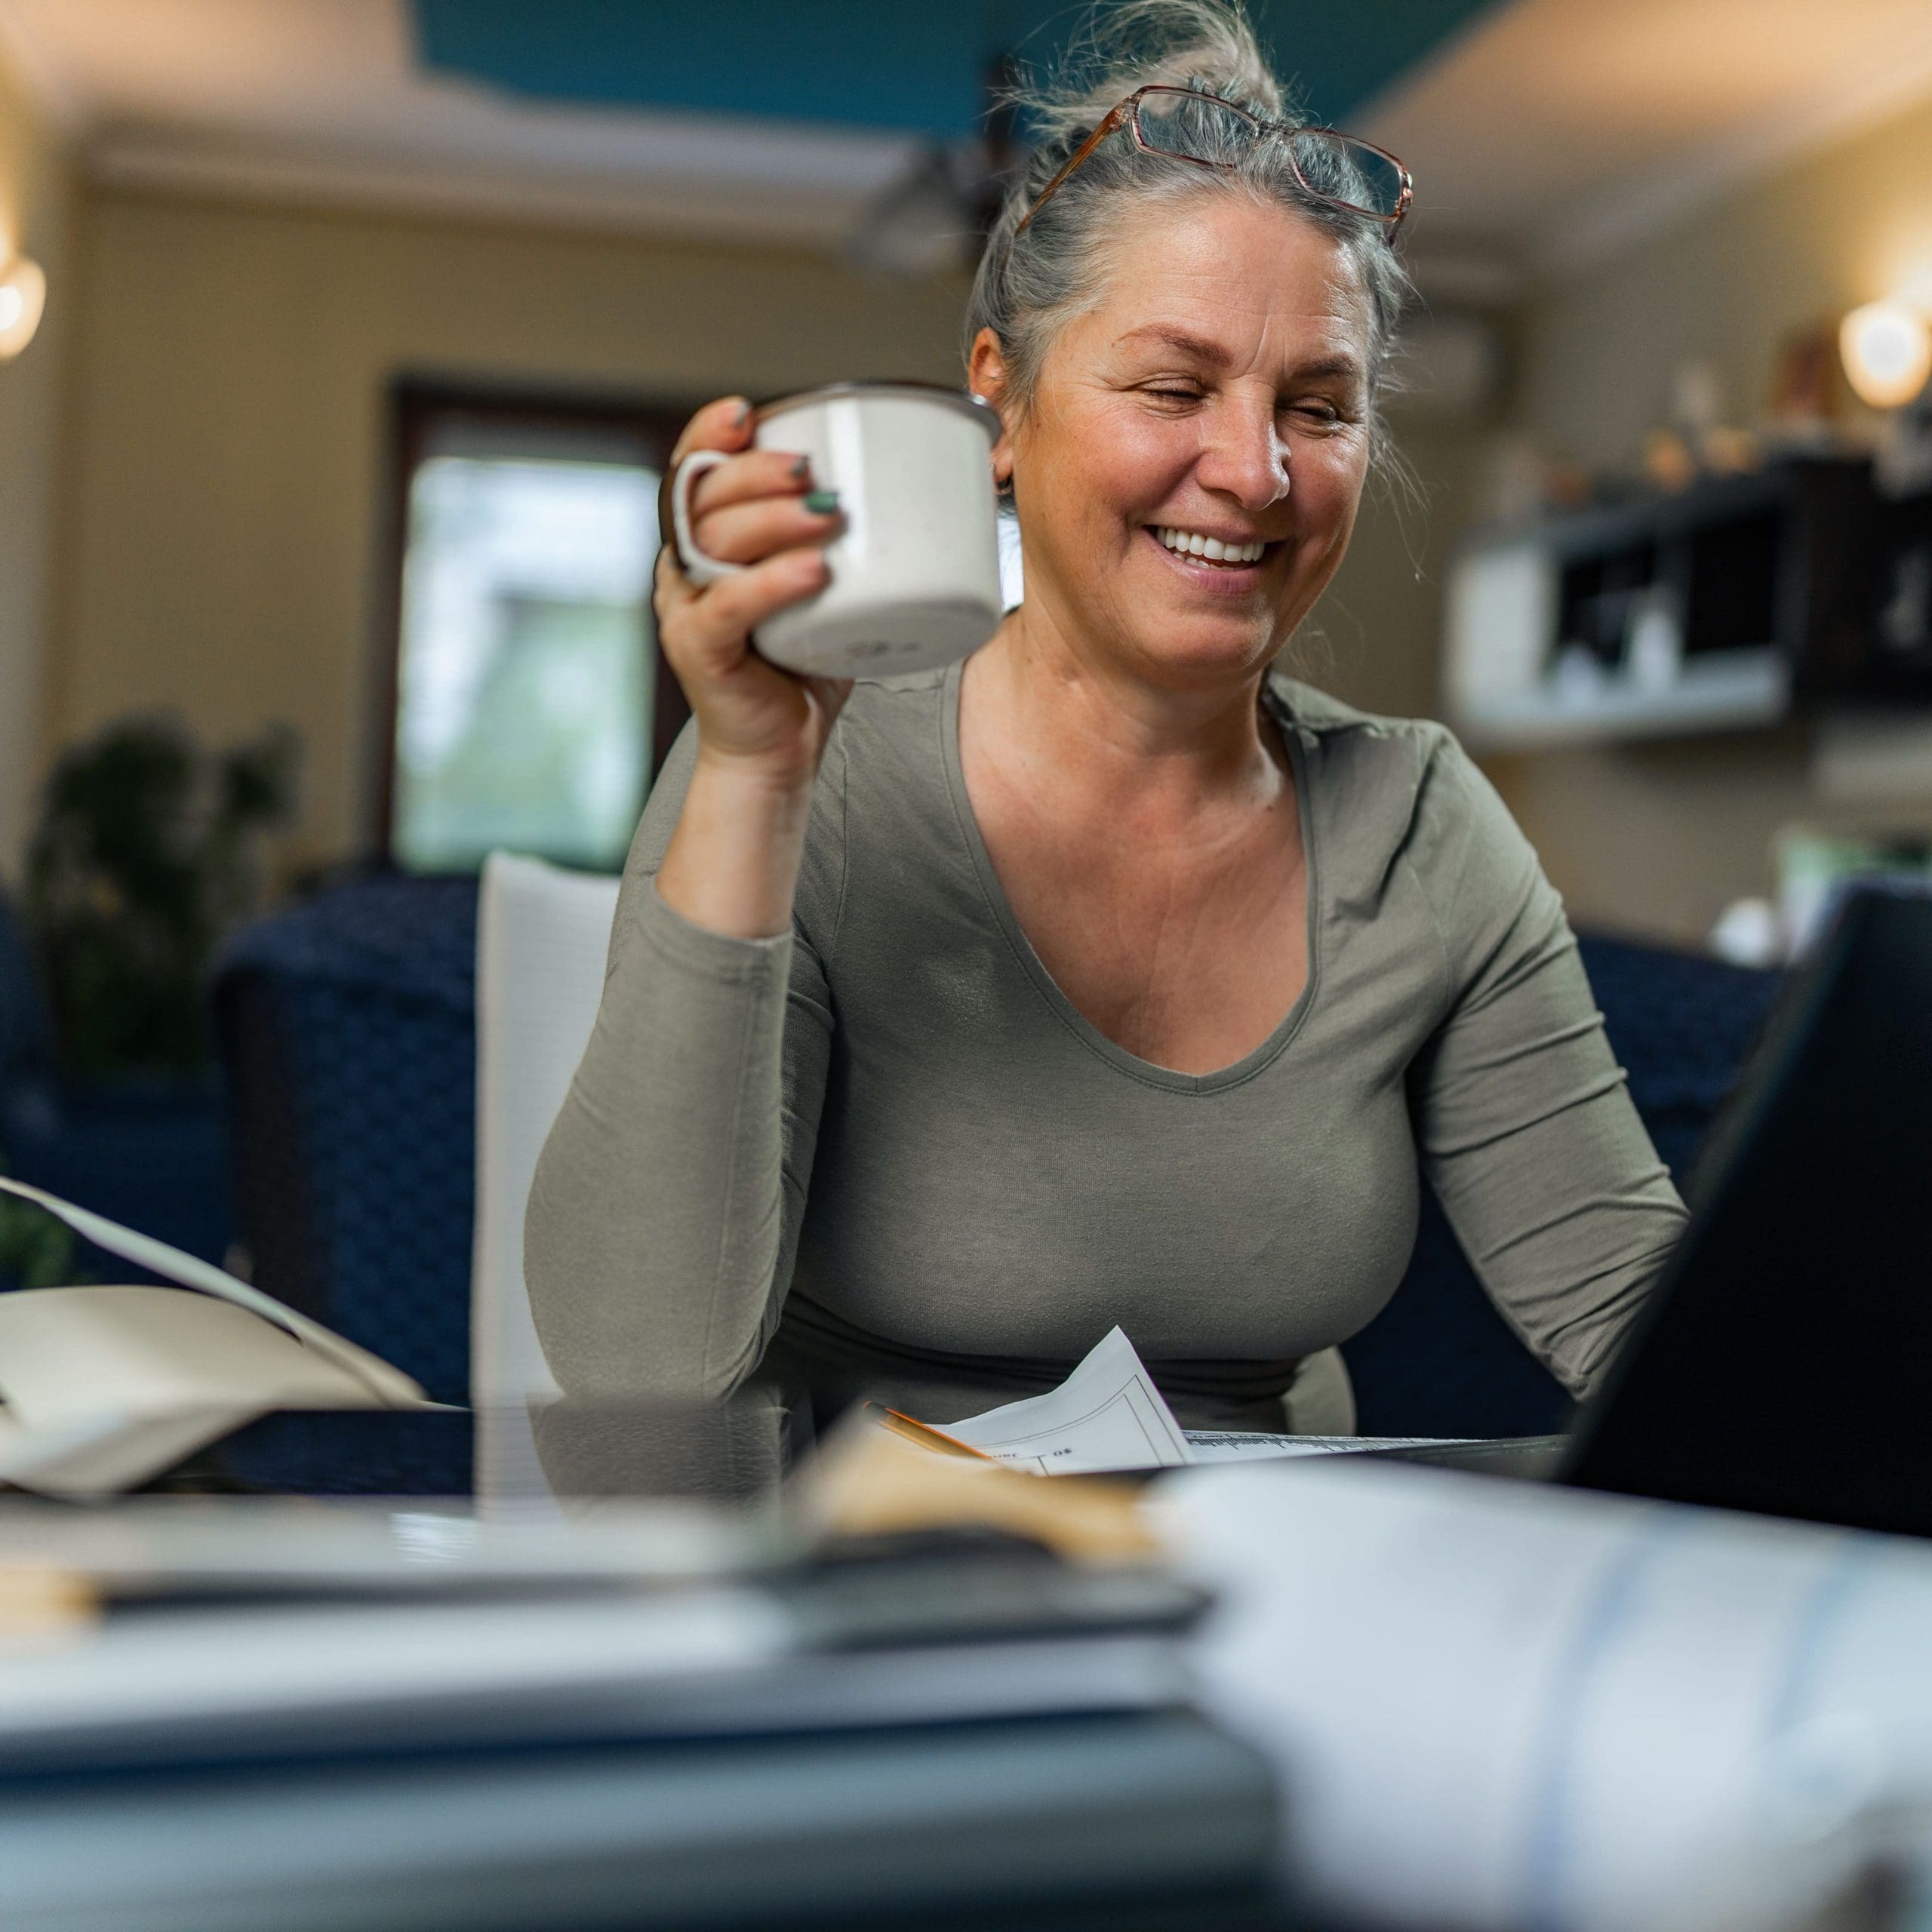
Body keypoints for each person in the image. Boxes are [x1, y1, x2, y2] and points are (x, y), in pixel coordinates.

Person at [525, 0, 1685, 1443]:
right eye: (1173, 386)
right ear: (1001, 404)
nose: (1254, 473)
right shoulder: (816, 771)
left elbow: (1651, 1324)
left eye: (1316, 408)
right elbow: (632, 1372)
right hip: (866, 1594)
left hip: (1266, 1609)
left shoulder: (1420, 827)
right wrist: (758, 770)